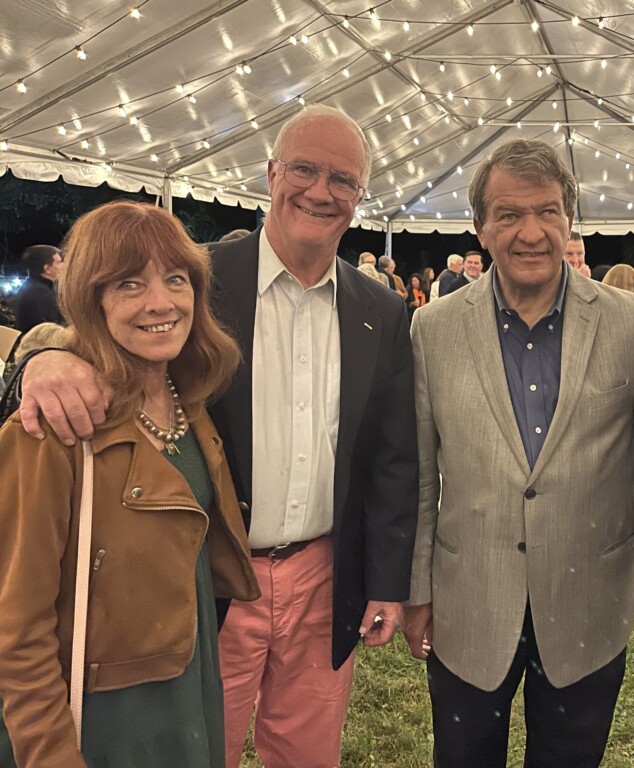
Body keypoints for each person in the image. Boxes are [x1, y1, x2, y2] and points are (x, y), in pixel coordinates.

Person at [17, 105, 418, 768]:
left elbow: (393, 458)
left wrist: (387, 579)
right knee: (202, 750)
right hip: (207, 575)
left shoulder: (381, 309)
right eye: (304, 170)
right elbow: (107, 327)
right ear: (270, 175)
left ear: (359, 197)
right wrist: (43, 357)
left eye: (342, 180)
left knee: (309, 755)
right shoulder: (196, 279)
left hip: (323, 574)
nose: (320, 191)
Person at [404, 138, 634, 768]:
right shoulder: (434, 328)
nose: (531, 232)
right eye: (509, 215)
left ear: (570, 220)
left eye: (547, 211)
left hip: (588, 603)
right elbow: (418, 477)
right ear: (481, 229)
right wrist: (415, 589)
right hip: (470, 602)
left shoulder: (633, 325)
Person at [0, 201, 259, 767]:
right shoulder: (53, 431)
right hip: (103, 721)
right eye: (128, 284)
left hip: (188, 685)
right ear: (90, 301)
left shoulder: (190, 401)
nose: (160, 302)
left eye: (175, 279)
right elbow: (16, 632)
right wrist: (51, 756)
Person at [14, 244, 63, 332]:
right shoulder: (41, 294)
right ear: (47, 268)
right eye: (59, 262)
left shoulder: (31, 287)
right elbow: (51, 332)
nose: (63, 266)